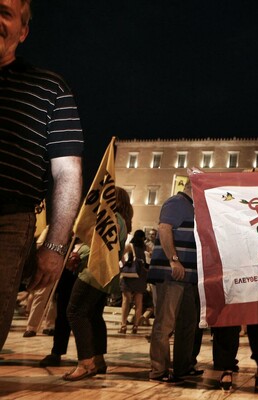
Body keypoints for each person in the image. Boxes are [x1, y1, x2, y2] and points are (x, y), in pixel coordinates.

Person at [0, 0, 83, 352]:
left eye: (5, 12)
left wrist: (54, 245)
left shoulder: (49, 89)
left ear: (23, 31)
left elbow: (67, 172)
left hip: (7, 222)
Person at [64, 187, 132, 381]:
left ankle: (86, 363)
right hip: (107, 275)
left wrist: (78, 254)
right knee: (94, 316)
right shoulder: (123, 221)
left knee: (75, 312)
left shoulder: (110, 218)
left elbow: (98, 245)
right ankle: (98, 359)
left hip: (93, 272)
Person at [148, 179, 204, 385]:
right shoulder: (176, 203)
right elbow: (164, 229)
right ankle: (158, 369)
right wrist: (174, 260)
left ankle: (183, 367)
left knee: (188, 324)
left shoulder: (191, 207)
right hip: (172, 274)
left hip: (187, 277)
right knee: (165, 324)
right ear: (193, 187)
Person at [39, 238, 89, 367]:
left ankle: (90, 357)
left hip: (87, 275)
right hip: (67, 275)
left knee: (88, 317)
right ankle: (57, 351)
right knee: (62, 315)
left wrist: (82, 256)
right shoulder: (69, 235)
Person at [119, 229, 149, 334]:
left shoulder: (130, 246)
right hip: (141, 276)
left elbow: (121, 255)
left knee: (126, 301)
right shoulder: (146, 247)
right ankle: (135, 326)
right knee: (139, 302)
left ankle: (123, 325)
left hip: (129, 275)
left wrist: (124, 263)